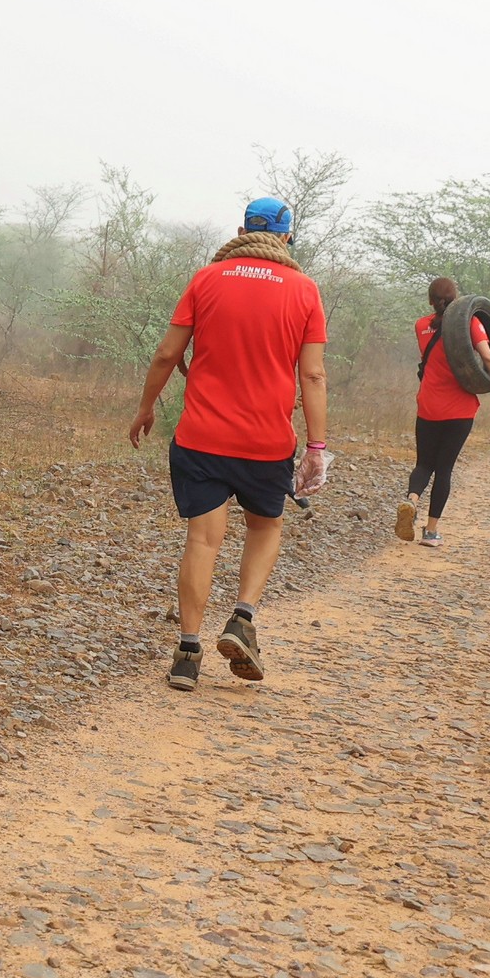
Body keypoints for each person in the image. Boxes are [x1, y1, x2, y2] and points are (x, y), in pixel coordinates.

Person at [127, 197, 329, 688]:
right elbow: (313, 375)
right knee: (265, 526)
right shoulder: (303, 289)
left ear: (242, 231)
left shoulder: (206, 279)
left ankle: (187, 653)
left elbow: (167, 353)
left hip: (202, 437)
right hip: (266, 442)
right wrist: (317, 448)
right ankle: (242, 617)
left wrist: (146, 407)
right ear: (286, 236)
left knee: (202, 539)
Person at [397, 278, 490, 549]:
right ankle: (431, 532)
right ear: (456, 299)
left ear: (430, 301)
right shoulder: (470, 323)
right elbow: (488, 357)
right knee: (444, 469)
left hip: (428, 406)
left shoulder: (421, 326)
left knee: (424, 464)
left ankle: (411, 500)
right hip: (459, 409)